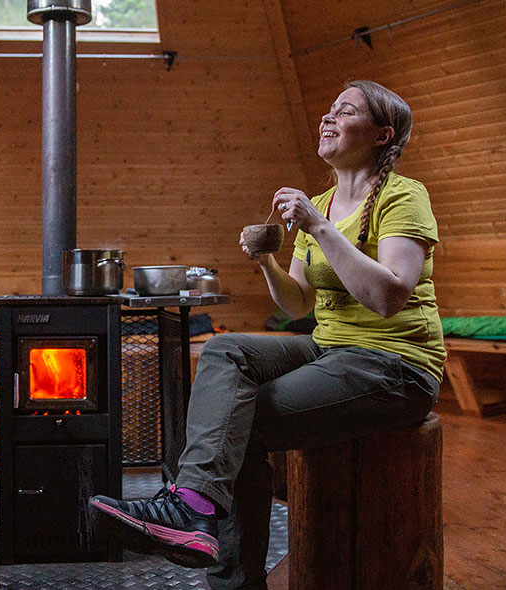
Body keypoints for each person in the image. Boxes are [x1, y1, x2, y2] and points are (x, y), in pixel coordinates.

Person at [90, 80, 445, 589]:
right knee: (225, 348)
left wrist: (319, 226)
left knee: (240, 423)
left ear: (383, 135)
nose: (328, 118)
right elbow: (299, 302)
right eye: (328, 109)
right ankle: (194, 508)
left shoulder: (403, 196)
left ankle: (207, 536)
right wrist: (266, 262)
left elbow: (389, 298)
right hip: (332, 349)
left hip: (396, 364)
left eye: (345, 112)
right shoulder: (320, 201)